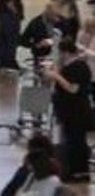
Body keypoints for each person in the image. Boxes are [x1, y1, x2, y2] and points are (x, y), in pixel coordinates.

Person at [44, 37, 92, 182]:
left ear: (65, 52)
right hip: (67, 111)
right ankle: (72, 170)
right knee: (70, 141)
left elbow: (73, 88)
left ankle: (79, 172)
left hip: (77, 112)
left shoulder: (79, 67)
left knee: (76, 142)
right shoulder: (66, 67)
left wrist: (56, 76)